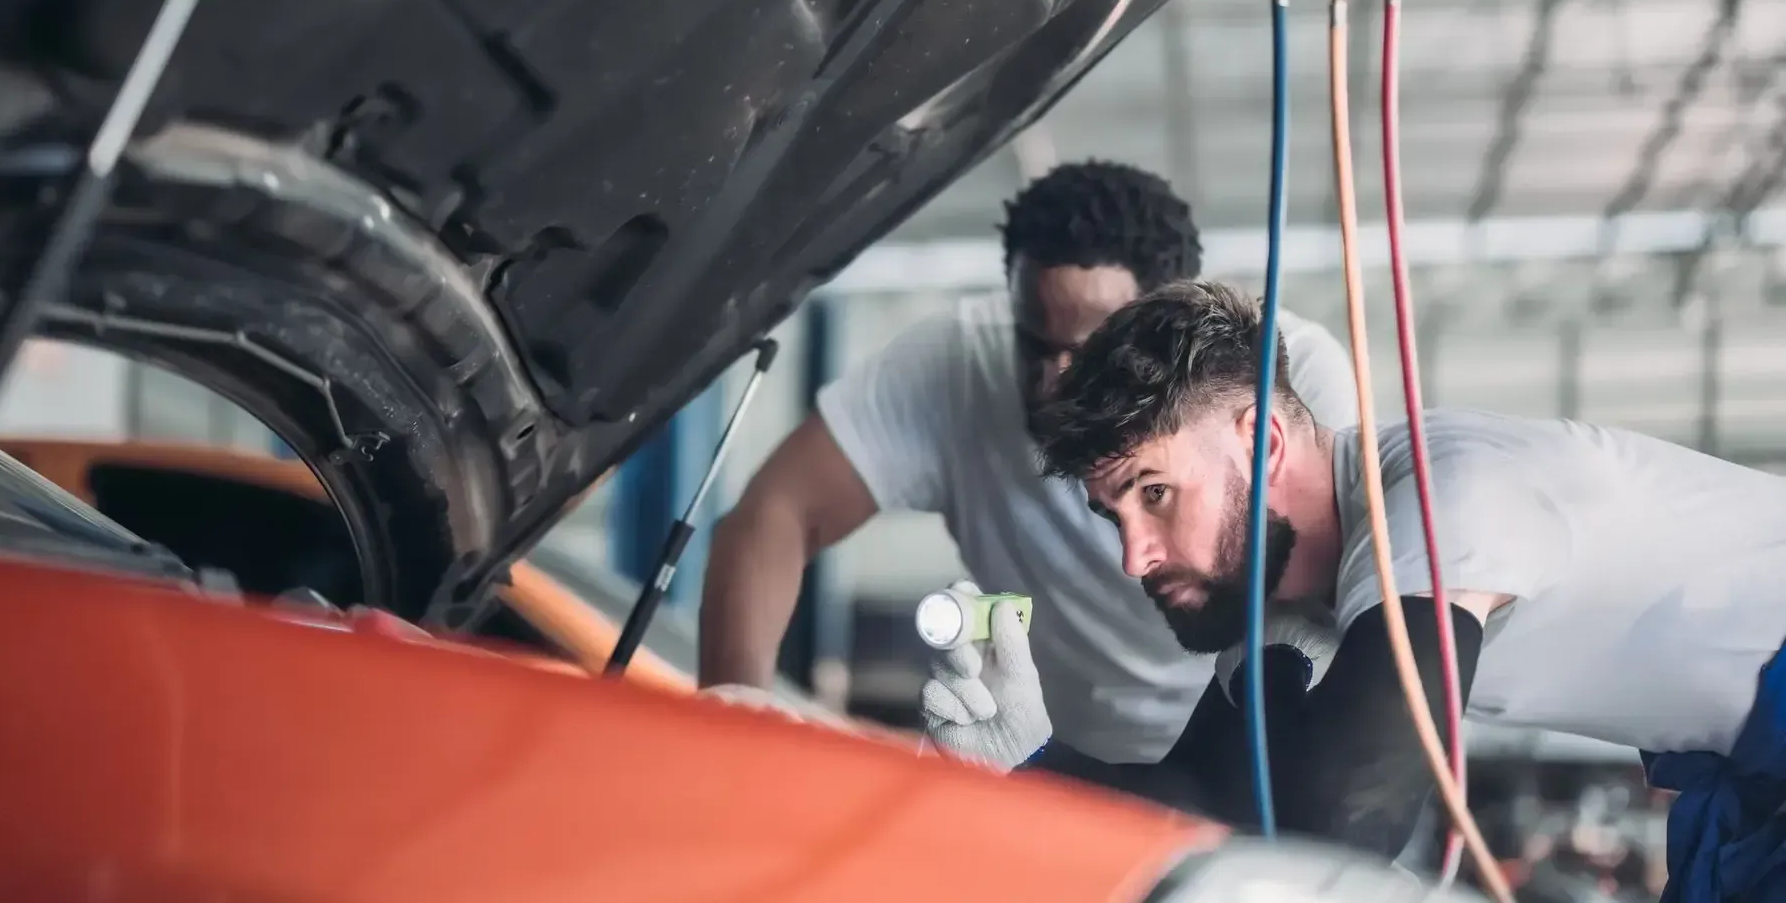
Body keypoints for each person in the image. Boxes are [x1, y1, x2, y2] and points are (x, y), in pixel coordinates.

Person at [924, 279, 1786, 903]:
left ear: (1261, 441)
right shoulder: (1297, 593)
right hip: (1752, 780)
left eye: (1155, 493)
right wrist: (1030, 763)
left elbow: (1350, 819)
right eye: (1113, 514)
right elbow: (1208, 796)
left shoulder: (1446, 494)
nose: (1133, 556)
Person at [698, 161, 1360, 775]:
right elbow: (774, 514)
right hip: (1052, 766)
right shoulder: (958, 363)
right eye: (1033, 345)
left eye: (1088, 348)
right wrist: (733, 724)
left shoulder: (1282, 378)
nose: (1052, 382)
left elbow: (1324, 601)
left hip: (1243, 756)